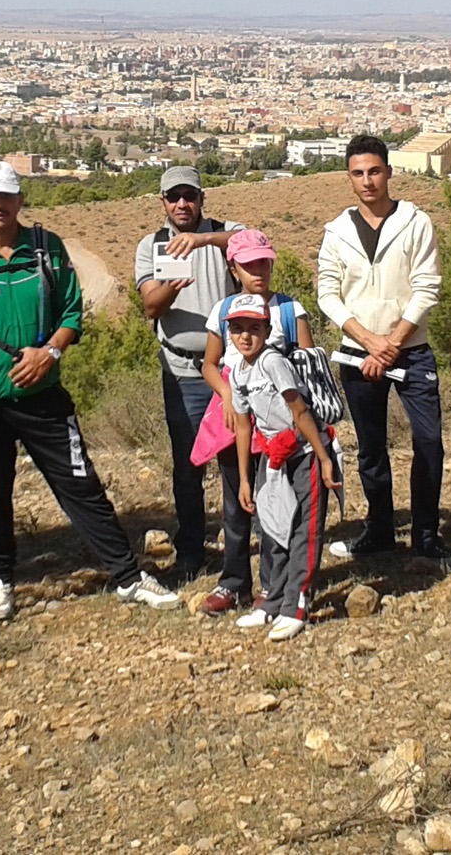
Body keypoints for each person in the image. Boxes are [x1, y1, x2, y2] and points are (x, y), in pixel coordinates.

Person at [0, 161, 182, 622]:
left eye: (6, 196)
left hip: (43, 395)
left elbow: (71, 313)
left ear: (21, 199)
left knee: (80, 484)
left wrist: (49, 353)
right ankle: (0, 582)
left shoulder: (47, 249)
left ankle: (126, 576)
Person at [317, 134, 451, 562]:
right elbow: (327, 294)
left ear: (389, 172)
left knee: (429, 441)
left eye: (374, 171)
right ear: (349, 178)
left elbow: (426, 285)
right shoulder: (337, 232)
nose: (367, 181)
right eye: (358, 173)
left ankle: (426, 533)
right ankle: (379, 528)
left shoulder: (415, 223)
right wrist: (369, 342)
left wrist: (392, 343)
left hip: (411, 350)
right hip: (357, 352)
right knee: (372, 446)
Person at [132, 165, 245, 582]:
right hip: (181, 372)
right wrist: (170, 287)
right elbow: (150, 307)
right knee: (188, 467)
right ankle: (191, 551)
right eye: (173, 197)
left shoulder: (222, 233)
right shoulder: (152, 246)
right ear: (162, 202)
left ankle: (238, 546)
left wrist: (201, 240)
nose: (182, 204)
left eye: (189, 196)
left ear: (202, 198)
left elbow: (253, 243)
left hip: (231, 372)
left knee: (237, 464)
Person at [195, 229, 311, 616]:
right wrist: (229, 395)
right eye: (249, 264)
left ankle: (273, 584)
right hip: (237, 420)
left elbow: (307, 366)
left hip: (279, 426)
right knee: (236, 502)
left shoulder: (291, 311)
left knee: (276, 505)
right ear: (234, 267)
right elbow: (210, 364)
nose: (258, 270)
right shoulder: (222, 309)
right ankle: (234, 582)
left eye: (264, 261)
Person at [223, 294, 341, 642]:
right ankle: (272, 599)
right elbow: (244, 426)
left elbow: (299, 410)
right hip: (273, 457)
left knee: (305, 530)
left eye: (254, 329)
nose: (246, 336)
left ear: (267, 329)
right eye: (238, 329)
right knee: (273, 527)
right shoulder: (239, 373)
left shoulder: (274, 362)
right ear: (229, 332)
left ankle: (297, 603)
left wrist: (323, 458)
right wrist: (245, 478)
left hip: (303, 452)